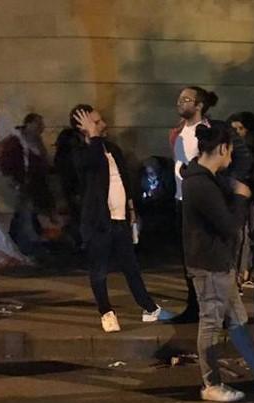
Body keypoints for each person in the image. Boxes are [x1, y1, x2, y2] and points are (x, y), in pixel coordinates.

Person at [181, 121, 254, 402]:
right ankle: (211, 384)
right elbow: (229, 225)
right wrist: (241, 198)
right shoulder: (200, 183)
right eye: (229, 152)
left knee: (238, 319)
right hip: (210, 264)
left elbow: (241, 160)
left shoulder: (203, 176)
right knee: (211, 323)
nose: (230, 161)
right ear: (222, 148)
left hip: (218, 262)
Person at [70, 105, 175, 332]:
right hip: (99, 222)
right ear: (83, 127)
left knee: (131, 266)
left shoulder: (112, 149)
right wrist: (93, 136)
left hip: (120, 219)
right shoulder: (81, 152)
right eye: (96, 122)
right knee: (99, 270)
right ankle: (106, 312)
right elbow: (90, 165)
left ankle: (149, 308)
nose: (102, 125)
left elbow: (124, 181)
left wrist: (131, 211)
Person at [169, 86, 218, 323]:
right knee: (187, 257)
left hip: (199, 201)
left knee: (203, 257)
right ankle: (193, 305)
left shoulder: (206, 131)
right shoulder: (179, 132)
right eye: (179, 99)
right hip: (181, 199)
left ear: (199, 105)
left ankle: (213, 307)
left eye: (186, 100)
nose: (180, 103)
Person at [0, 113, 51, 254]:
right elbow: (7, 163)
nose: (41, 127)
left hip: (31, 185)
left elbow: (42, 163)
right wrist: (15, 180)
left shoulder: (36, 142)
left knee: (24, 214)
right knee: (25, 212)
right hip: (18, 184)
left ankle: (19, 241)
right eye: (38, 124)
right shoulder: (16, 141)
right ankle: (27, 244)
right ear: (29, 124)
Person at [227, 111, 254, 287]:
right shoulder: (227, 150)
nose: (237, 132)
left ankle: (245, 271)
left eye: (240, 128)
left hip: (251, 199)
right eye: (233, 128)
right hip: (232, 199)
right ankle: (236, 273)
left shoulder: (253, 151)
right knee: (239, 235)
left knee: (250, 236)